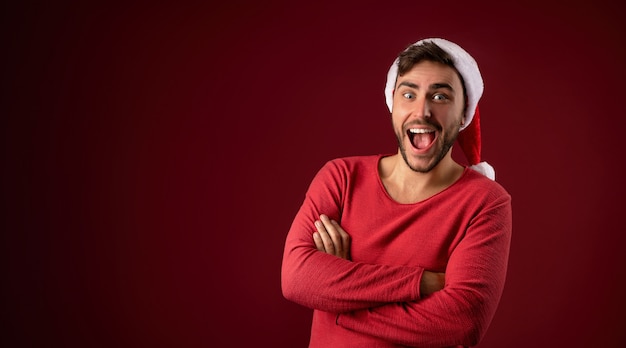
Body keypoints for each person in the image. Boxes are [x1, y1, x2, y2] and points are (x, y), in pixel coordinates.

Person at [281, 38, 512, 348]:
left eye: (440, 96)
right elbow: (296, 277)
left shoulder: (486, 203)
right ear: (393, 103)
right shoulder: (340, 178)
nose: (423, 111)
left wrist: (340, 302)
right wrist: (424, 282)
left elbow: (464, 320)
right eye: (409, 94)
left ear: (463, 115)